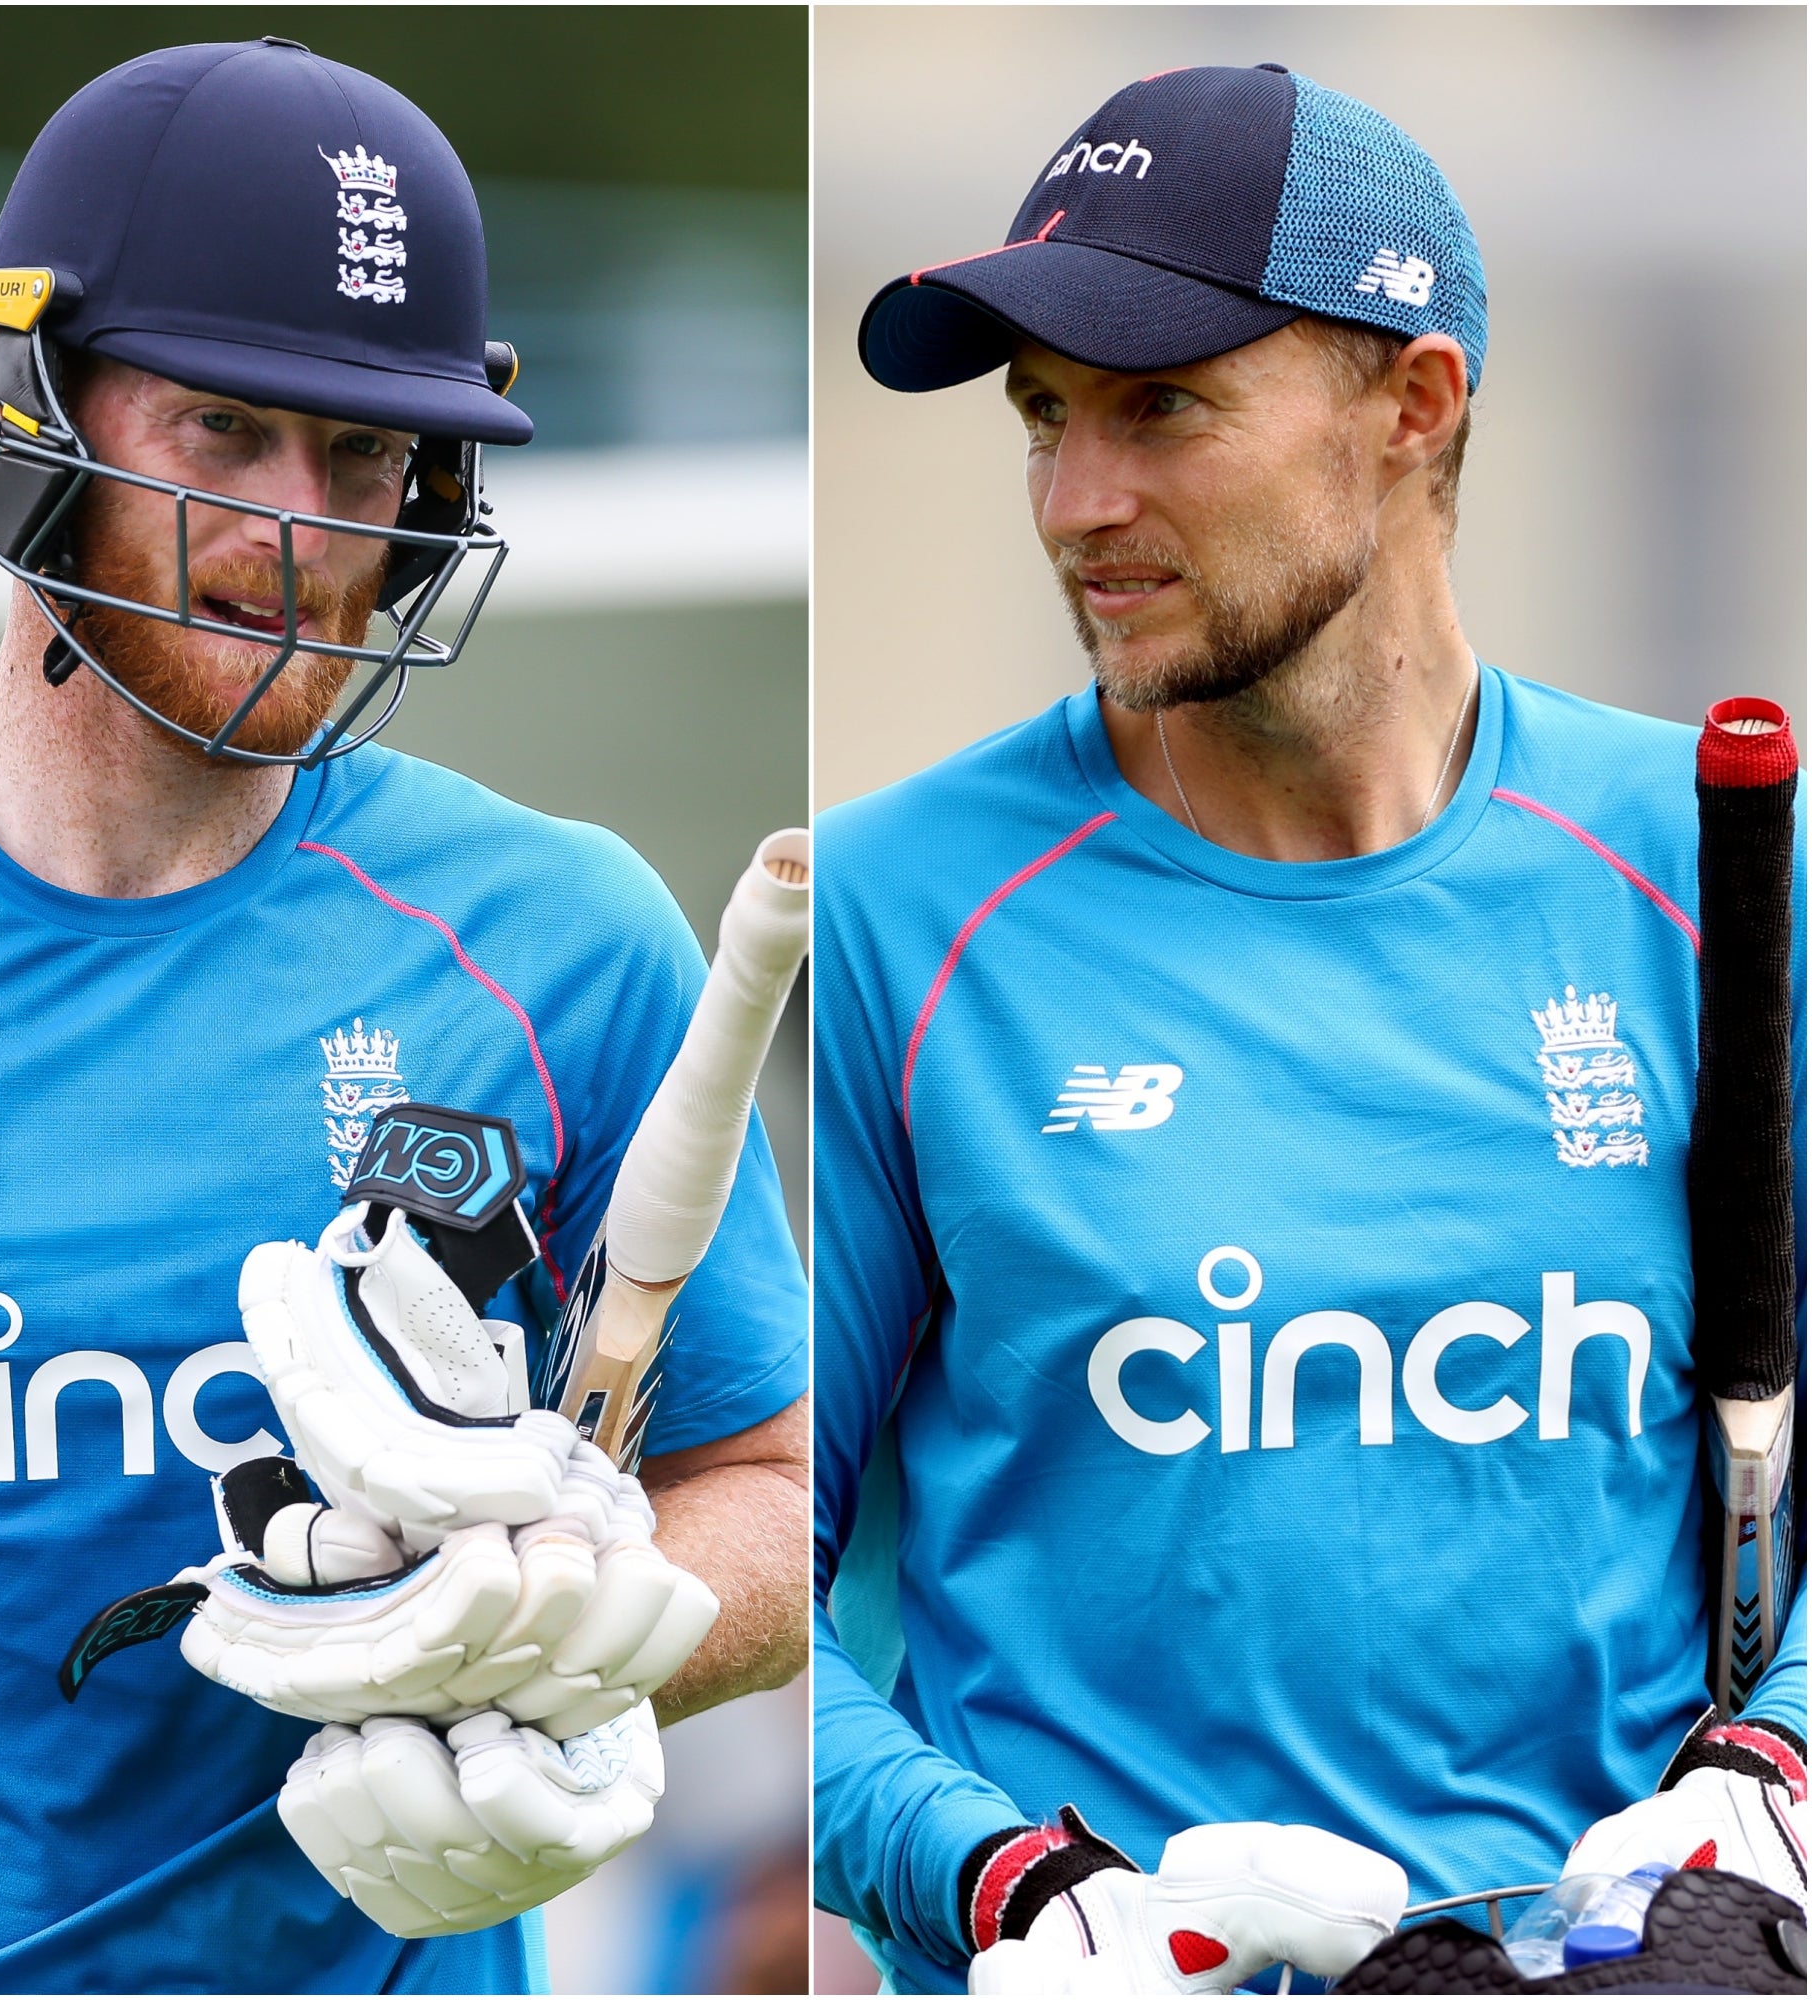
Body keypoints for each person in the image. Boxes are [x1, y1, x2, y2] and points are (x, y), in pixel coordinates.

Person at [0, 40, 807, 1996]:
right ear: (23, 415)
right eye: (222, 430)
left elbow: (767, 1495)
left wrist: (563, 1660)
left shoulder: (566, 938)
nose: (303, 529)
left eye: (365, 457)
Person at [813, 62, 1804, 1994]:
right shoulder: (885, 913)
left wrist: (1764, 1793)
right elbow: (744, 1562)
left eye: (1161, 406)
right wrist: (1006, 1884)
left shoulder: (1722, 867)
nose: (1079, 505)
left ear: (1412, 407)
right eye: (1042, 421)